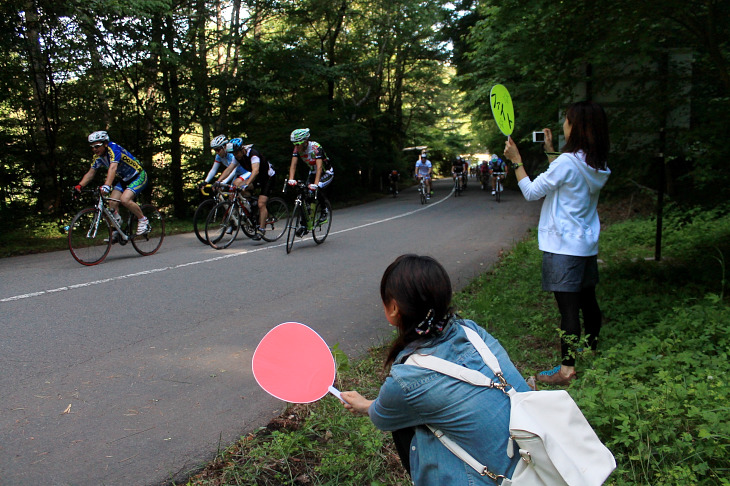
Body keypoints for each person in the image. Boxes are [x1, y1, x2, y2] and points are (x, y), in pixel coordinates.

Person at [340, 254, 530, 484]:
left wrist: (365, 405)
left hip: (498, 479)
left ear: (393, 308)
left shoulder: (407, 379)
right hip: (535, 457)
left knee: (405, 427)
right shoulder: (473, 331)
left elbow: (383, 418)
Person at [503, 100, 611, 385]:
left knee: (568, 310)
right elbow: (569, 183)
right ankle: (590, 351)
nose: (564, 124)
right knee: (588, 301)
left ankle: (566, 370)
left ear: (576, 126)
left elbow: (531, 192)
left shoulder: (568, 162)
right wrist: (552, 152)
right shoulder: (595, 163)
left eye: (567, 119)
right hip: (585, 245)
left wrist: (516, 160)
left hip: (562, 247)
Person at [74, 131, 150, 237]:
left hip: (138, 175)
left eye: (97, 146)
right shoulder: (98, 157)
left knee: (125, 199)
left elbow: (113, 168)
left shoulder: (114, 149)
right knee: (112, 202)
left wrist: (107, 185)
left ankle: (143, 220)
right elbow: (91, 173)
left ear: (105, 143)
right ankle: (118, 228)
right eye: (92, 147)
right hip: (125, 179)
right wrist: (79, 186)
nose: (94, 149)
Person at [217, 138, 275, 240]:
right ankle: (251, 210)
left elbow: (255, 171)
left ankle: (261, 230)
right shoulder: (237, 157)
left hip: (267, 177)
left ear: (242, 149)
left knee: (261, 203)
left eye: (236, 153)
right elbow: (229, 169)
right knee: (237, 188)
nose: (235, 155)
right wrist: (218, 181)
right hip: (257, 178)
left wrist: (247, 183)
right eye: (233, 153)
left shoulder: (253, 154)